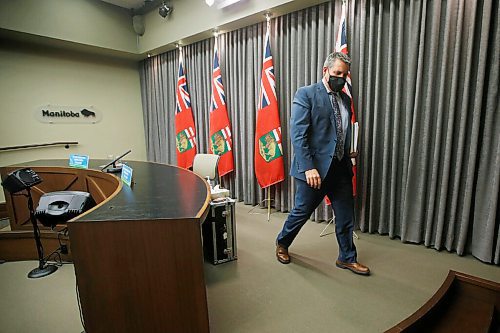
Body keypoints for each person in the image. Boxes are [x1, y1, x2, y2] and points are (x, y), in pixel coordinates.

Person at [275, 52, 370, 275]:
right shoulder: (306, 94)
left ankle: (347, 258)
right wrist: (309, 167)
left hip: (340, 168)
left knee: (346, 216)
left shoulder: (346, 99)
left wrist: (348, 149)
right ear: (325, 71)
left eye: (344, 75)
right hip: (315, 170)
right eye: (337, 73)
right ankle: (282, 243)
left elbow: (340, 130)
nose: (341, 78)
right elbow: (298, 135)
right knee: (301, 212)